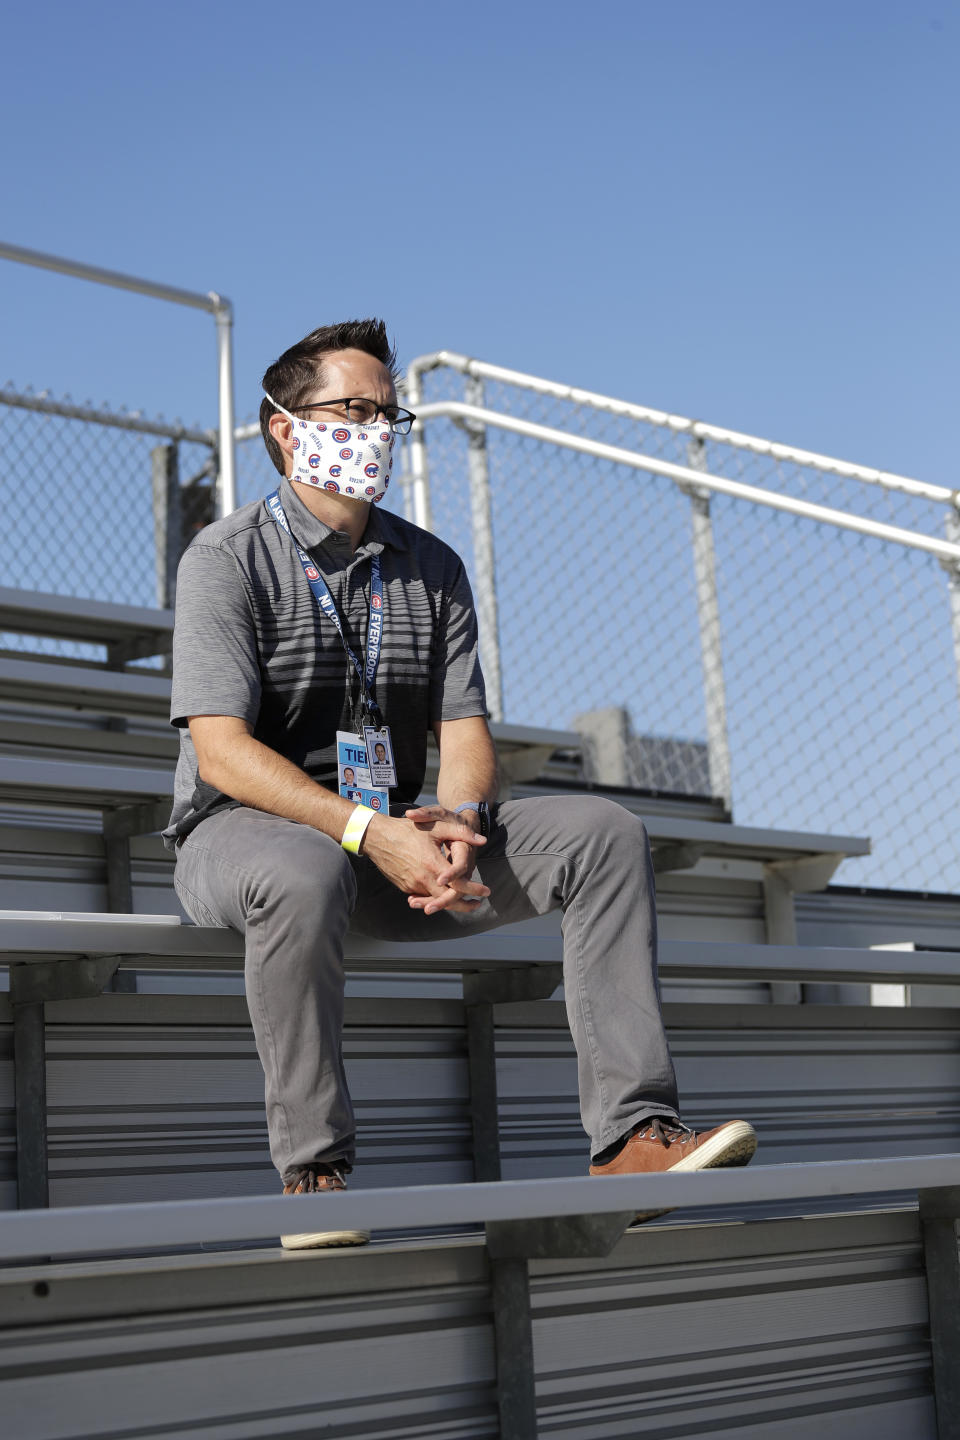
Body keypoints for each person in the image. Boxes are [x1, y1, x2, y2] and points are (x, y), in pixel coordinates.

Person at [165, 318, 756, 1250]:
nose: (376, 430)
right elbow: (222, 753)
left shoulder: (430, 566)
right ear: (284, 425)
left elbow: (463, 727)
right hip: (243, 837)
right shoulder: (226, 559)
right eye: (352, 409)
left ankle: (633, 1138)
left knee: (603, 832)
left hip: (391, 843)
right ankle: (315, 1175)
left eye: (388, 415)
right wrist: (365, 832)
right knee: (304, 869)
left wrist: (462, 818)